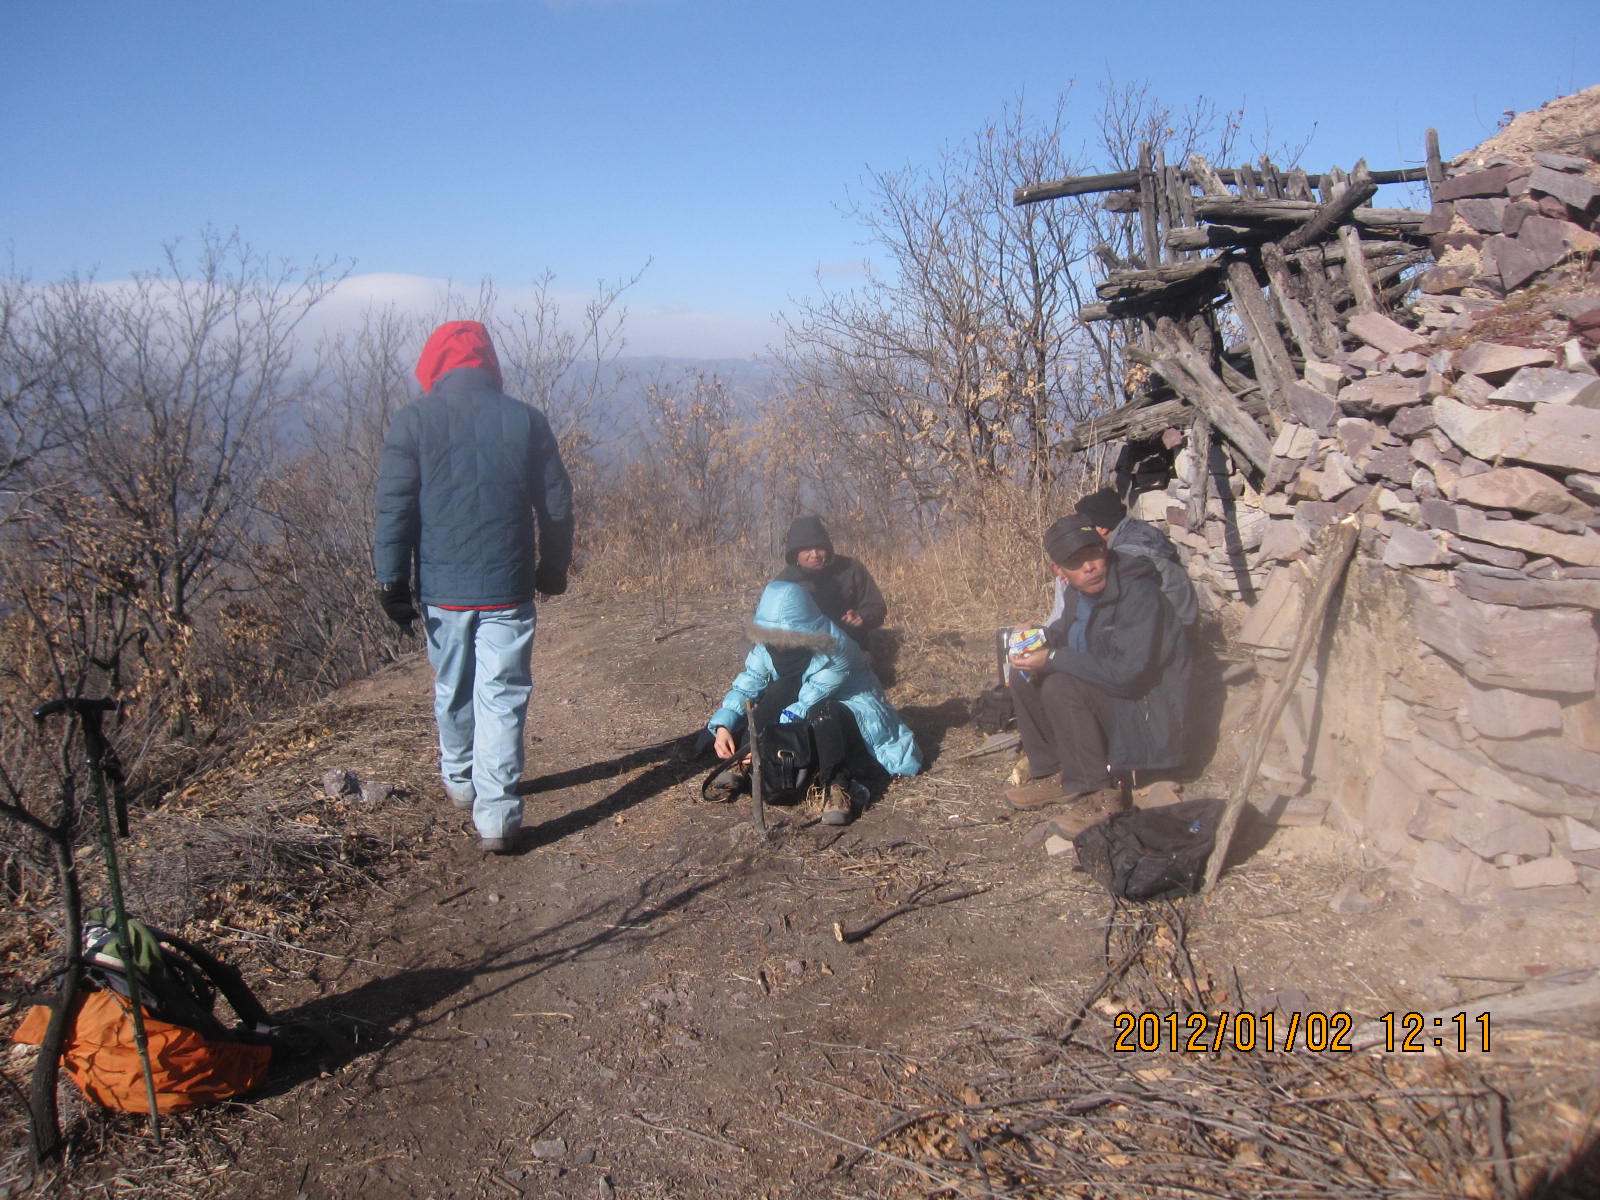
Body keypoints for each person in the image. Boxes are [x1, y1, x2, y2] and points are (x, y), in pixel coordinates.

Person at [373, 320, 573, 854]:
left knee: (453, 687)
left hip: (443, 588)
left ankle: (461, 781)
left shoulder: (413, 421)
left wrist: (391, 580)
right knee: (502, 696)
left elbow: (395, 507)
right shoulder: (525, 420)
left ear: (434, 364)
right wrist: (553, 567)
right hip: (508, 585)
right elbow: (556, 503)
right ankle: (498, 816)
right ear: (489, 362)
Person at [1004, 516, 1191, 824]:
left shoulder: (1138, 593)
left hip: (1147, 712)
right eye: (1075, 563)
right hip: (1112, 693)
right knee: (1024, 674)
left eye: (1093, 554)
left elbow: (1128, 675)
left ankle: (1098, 790)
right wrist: (1033, 639)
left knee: (1060, 685)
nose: (1088, 567)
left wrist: (1052, 658)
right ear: (1059, 571)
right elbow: (1067, 633)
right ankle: (1061, 771)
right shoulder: (1079, 593)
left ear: (1104, 551)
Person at [704, 580, 920, 825]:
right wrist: (724, 726)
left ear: (806, 627)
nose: (780, 644)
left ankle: (837, 787)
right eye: (773, 635)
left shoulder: (836, 647)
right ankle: (741, 761)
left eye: (790, 636)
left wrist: (766, 744)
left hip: (851, 717)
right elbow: (748, 684)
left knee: (824, 710)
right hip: (803, 708)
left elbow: (811, 699)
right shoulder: (767, 646)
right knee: (778, 689)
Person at [1053, 488, 1198, 629]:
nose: (1082, 537)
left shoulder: (1127, 554)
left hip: (1172, 629)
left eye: (1086, 529)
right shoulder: (1140, 530)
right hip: (1183, 619)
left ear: (1102, 528)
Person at [774, 516, 887, 646]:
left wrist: (862, 616)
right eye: (807, 550)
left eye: (819, 548)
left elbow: (876, 607)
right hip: (805, 647)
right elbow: (771, 622)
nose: (815, 554)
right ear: (795, 554)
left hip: (850, 644)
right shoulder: (783, 583)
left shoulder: (851, 568)